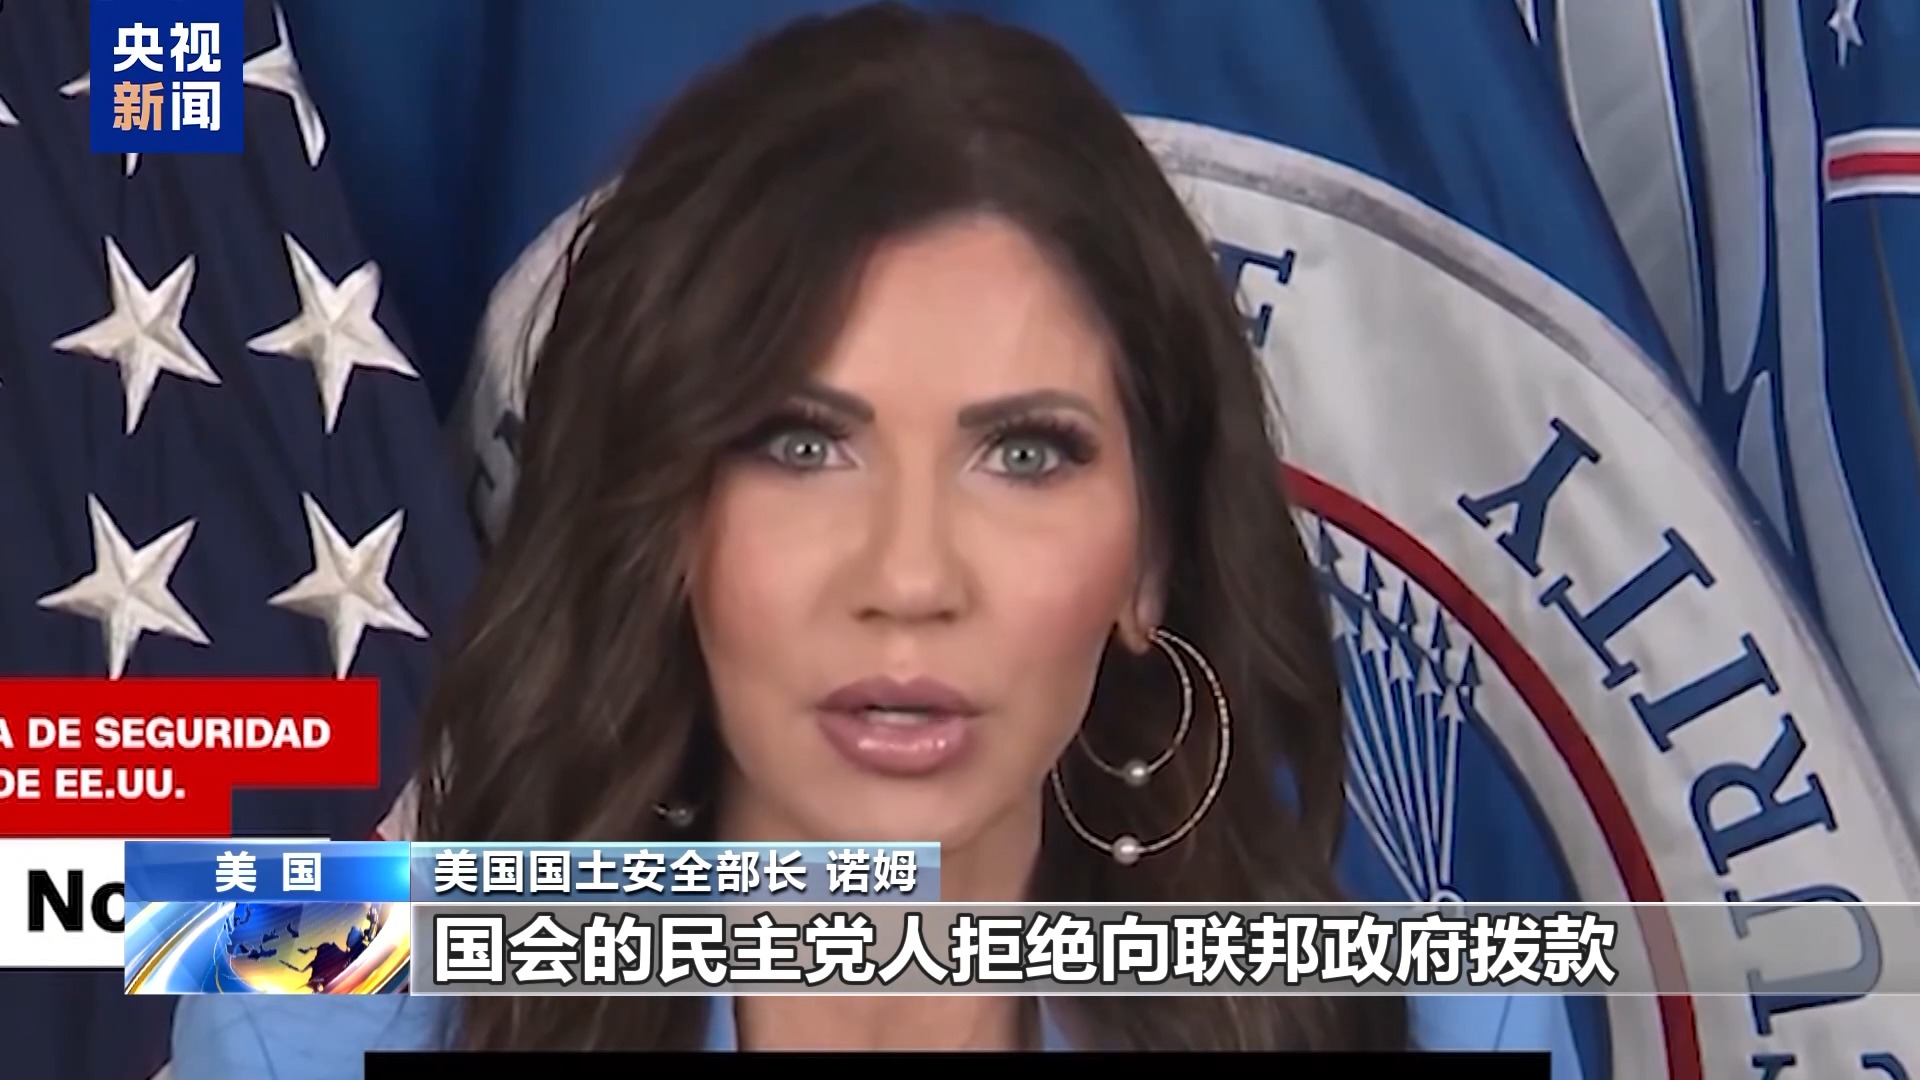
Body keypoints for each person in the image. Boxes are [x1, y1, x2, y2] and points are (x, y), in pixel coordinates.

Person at [172, 3, 1583, 1071]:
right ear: (662, 518)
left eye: (1024, 455)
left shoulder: (1446, 1024)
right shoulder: (307, 1007)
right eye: (801, 446)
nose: (909, 579)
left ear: (1151, 561)